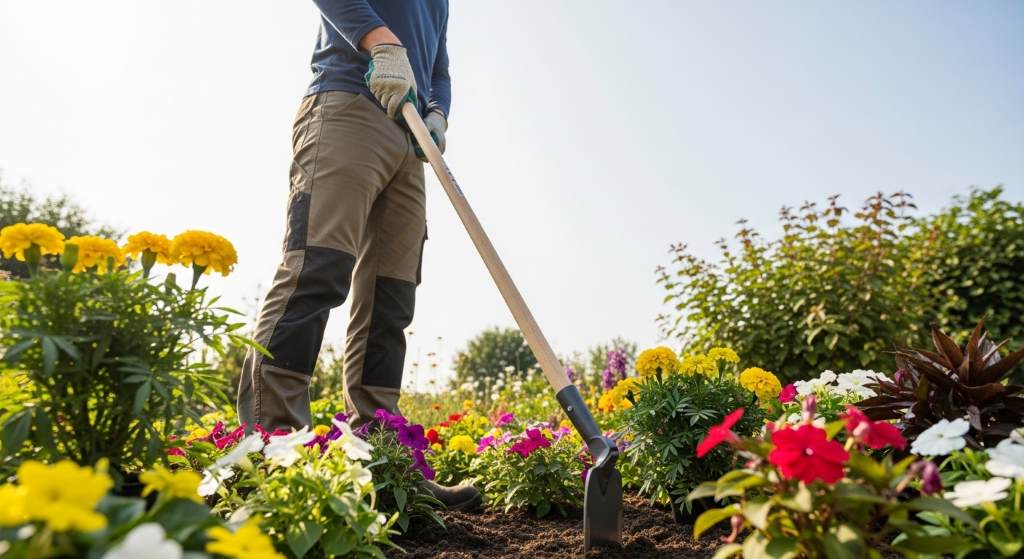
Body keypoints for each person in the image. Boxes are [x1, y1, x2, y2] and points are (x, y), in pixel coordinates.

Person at [236, 0, 481, 510]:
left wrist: (438, 112)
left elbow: (440, 68)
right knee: (318, 270)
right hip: (348, 103)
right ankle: (276, 454)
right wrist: (382, 43)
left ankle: (381, 464)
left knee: (391, 300)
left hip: (410, 140)